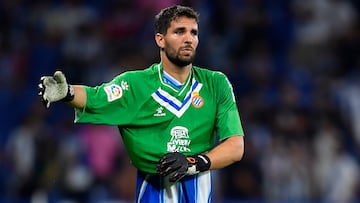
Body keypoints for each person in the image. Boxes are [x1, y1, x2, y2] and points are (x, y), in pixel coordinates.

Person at [38, 5, 244, 203]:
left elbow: (236, 147)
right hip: (154, 189)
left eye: (193, 32)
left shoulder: (216, 84)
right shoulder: (136, 85)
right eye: (179, 32)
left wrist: (193, 163)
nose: (188, 39)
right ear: (160, 39)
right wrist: (67, 92)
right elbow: (95, 97)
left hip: (198, 187)